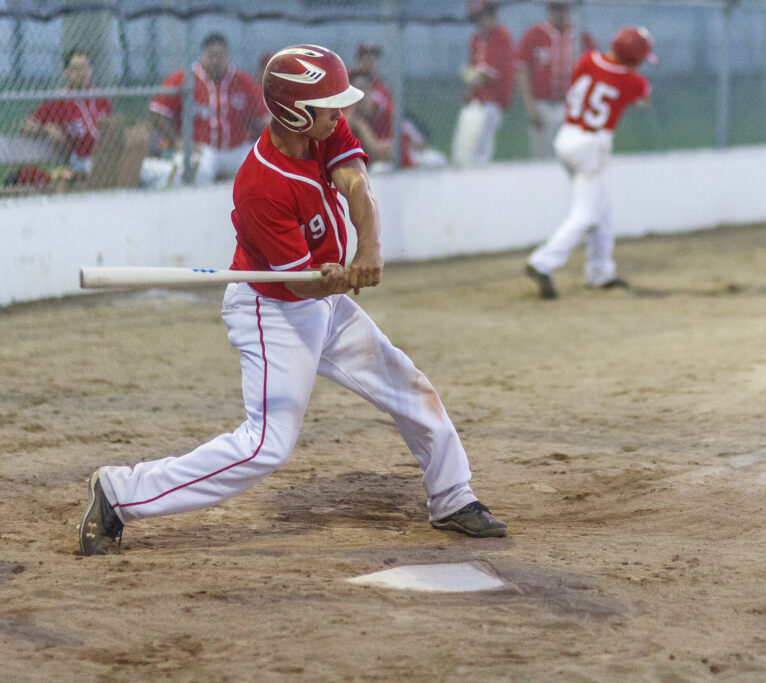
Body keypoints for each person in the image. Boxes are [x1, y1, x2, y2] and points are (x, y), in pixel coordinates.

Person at [78, 44, 507, 557]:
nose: (340, 114)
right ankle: (118, 494)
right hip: (273, 310)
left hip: (319, 301)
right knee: (265, 446)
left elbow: (356, 184)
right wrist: (332, 278)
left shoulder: (320, 132)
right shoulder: (259, 186)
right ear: (295, 111)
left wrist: (367, 248)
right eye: (329, 106)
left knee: (405, 381)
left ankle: (453, 495)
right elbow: (301, 284)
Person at [525, 27, 654, 300]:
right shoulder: (633, 81)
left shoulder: (586, 59)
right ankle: (543, 262)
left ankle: (600, 271)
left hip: (566, 138)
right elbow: (643, 97)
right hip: (592, 147)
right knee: (586, 213)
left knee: (601, 206)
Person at [141, 32, 267, 187]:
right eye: (211, 55)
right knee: (200, 170)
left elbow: (265, 118)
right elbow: (157, 112)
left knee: (265, 167)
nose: (216, 60)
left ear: (228, 56)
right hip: (202, 149)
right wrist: (178, 142)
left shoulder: (242, 80)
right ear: (202, 55)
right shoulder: (184, 77)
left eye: (221, 55)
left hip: (237, 148)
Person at [18, 48, 112, 190]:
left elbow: (113, 126)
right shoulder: (59, 100)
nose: (82, 73)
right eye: (76, 69)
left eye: (85, 68)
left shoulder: (100, 97)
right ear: (66, 72)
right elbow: (25, 127)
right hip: (80, 161)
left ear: (91, 70)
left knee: (149, 171)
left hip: (108, 157)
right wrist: (46, 130)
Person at [516, 1, 597, 160]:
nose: (559, 13)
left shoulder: (580, 37)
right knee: (542, 157)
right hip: (543, 104)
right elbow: (522, 70)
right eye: (555, 9)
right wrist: (530, 106)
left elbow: (594, 73)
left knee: (571, 156)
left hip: (571, 107)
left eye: (562, 8)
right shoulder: (535, 34)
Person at [451, 0, 516, 167]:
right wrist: (469, 83)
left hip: (492, 102)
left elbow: (496, 73)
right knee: (464, 150)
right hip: (475, 101)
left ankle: (477, 182)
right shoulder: (476, 39)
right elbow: (473, 69)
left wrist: (477, 75)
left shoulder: (501, 36)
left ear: (491, 15)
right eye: (476, 19)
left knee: (481, 152)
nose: (478, 23)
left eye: (481, 17)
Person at [344, 69, 447, 172]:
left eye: (363, 88)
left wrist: (361, 127)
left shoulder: (383, 110)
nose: (360, 95)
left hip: (404, 160)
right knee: (377, 168)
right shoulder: (350, 117)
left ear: (372, 90)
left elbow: (389, 149)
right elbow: (375, 151)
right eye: (355, 90)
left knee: (438, 159)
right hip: (369, 168)